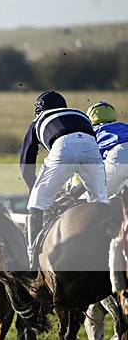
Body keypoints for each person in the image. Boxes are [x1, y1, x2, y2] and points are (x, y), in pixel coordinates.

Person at [20, 90, 107, 260]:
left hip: (63, 147)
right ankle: (108, 250)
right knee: (100, 204)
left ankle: (32, 258)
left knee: (36, 205)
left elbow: (26, 162)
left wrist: (34, 188)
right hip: (91, 149)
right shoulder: (80, 115)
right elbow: (86, 146)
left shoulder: (37, 121)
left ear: (38, 110)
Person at [87, 100, 128, 195]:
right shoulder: (123, 126)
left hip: (118, 156)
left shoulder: (90, 132)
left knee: (94, 198)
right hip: (120, 153)